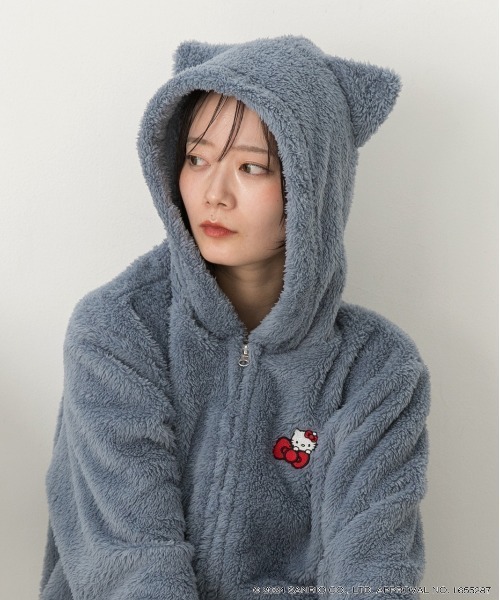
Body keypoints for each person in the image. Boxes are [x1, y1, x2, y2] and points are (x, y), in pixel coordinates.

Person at [40, 36, 430, 600]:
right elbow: (130, 566)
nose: (213, 193)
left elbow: (375, 573)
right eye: (196, 158)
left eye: (251, 167)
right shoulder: (117, 330)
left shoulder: (376, 370)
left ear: (314, 186)